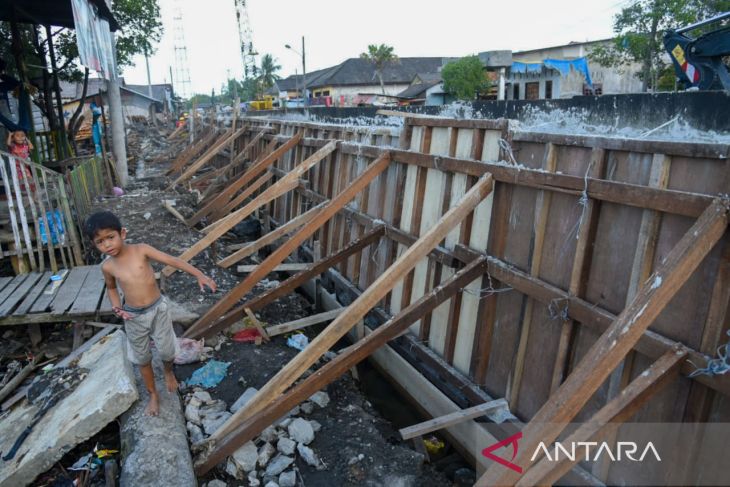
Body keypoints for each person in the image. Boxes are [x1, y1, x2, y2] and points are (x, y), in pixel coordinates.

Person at [85, 211, 217, 416]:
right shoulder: (108, 266)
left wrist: (199, 274)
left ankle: (167, 371)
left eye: (110, 237)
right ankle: (153, 394)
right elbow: (111, 288)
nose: (107, 245)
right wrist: (117, 307)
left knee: (166, 351)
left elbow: (172, 260)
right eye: (100, 242)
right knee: (142, 358)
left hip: (158, 310)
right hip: (133, 316)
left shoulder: (141, 250)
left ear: (123, 233)